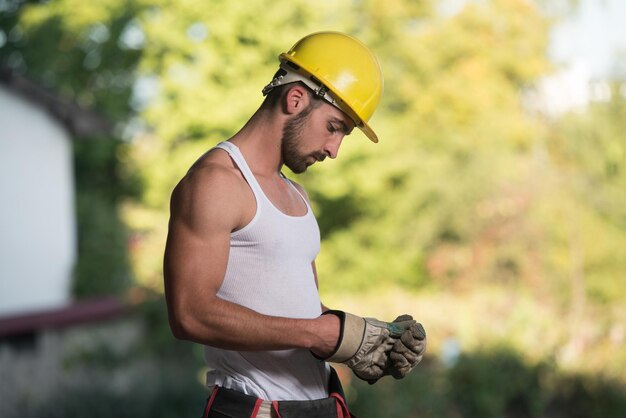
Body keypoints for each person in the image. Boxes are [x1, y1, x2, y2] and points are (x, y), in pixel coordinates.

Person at [163, 31, 426, 418]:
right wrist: (318, 332)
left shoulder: (297, 195)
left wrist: (359, 339)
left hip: (320, 405)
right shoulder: (216, 182)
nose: (334, 150)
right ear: (296, 98)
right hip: (257, 410)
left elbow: (301, 312)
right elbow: (189, 313)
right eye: (335, 127)